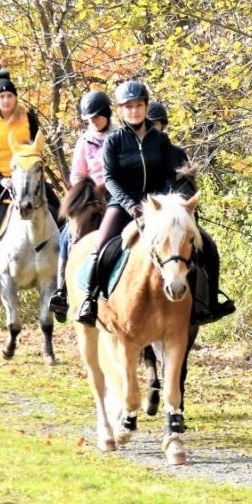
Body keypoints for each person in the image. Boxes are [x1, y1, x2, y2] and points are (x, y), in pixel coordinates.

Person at [75, 80, 187, 325]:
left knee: (196, 242)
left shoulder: (161, 140)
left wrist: (165, 202)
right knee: (101, 246)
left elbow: (169, 175)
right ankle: (89, 300)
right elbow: (110, 178)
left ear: (146, 106)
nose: (134, 111)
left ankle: (202, 302)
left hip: (158, 206)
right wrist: (129, 205)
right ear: (120, 110)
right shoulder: (114, 140)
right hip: (123, 204)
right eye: (128, 106)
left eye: (138, 105)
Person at [138, 98, 234, 325]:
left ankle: (210, 302)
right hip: (147, 215)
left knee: (208, 246)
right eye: (150, 126)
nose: (154, 130)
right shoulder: (139, 154)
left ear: (163, 126)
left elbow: (186, 187)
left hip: (178, 218)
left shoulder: (177, 153)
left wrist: (178, 205)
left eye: (157, 125)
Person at [0, 69, 56, 286]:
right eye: (2, 96)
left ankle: (64, 254)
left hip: (28, 175)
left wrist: (36, 172)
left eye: (9, 96)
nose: (6, 100)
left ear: (15, 97)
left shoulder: (28, 118)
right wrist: (0, 179)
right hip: (2, 176)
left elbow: (37, 148)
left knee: (59, 209)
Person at [49, 89, 111, 321]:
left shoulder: (119, 135)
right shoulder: (84, 142)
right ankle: (61, 291)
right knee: (67, 234)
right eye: (89, 119)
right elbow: (77, 173)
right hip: (91, 195)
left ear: (106, 114)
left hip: (115, 193)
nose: (93, 122)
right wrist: (86, 190)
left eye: (97, 117)